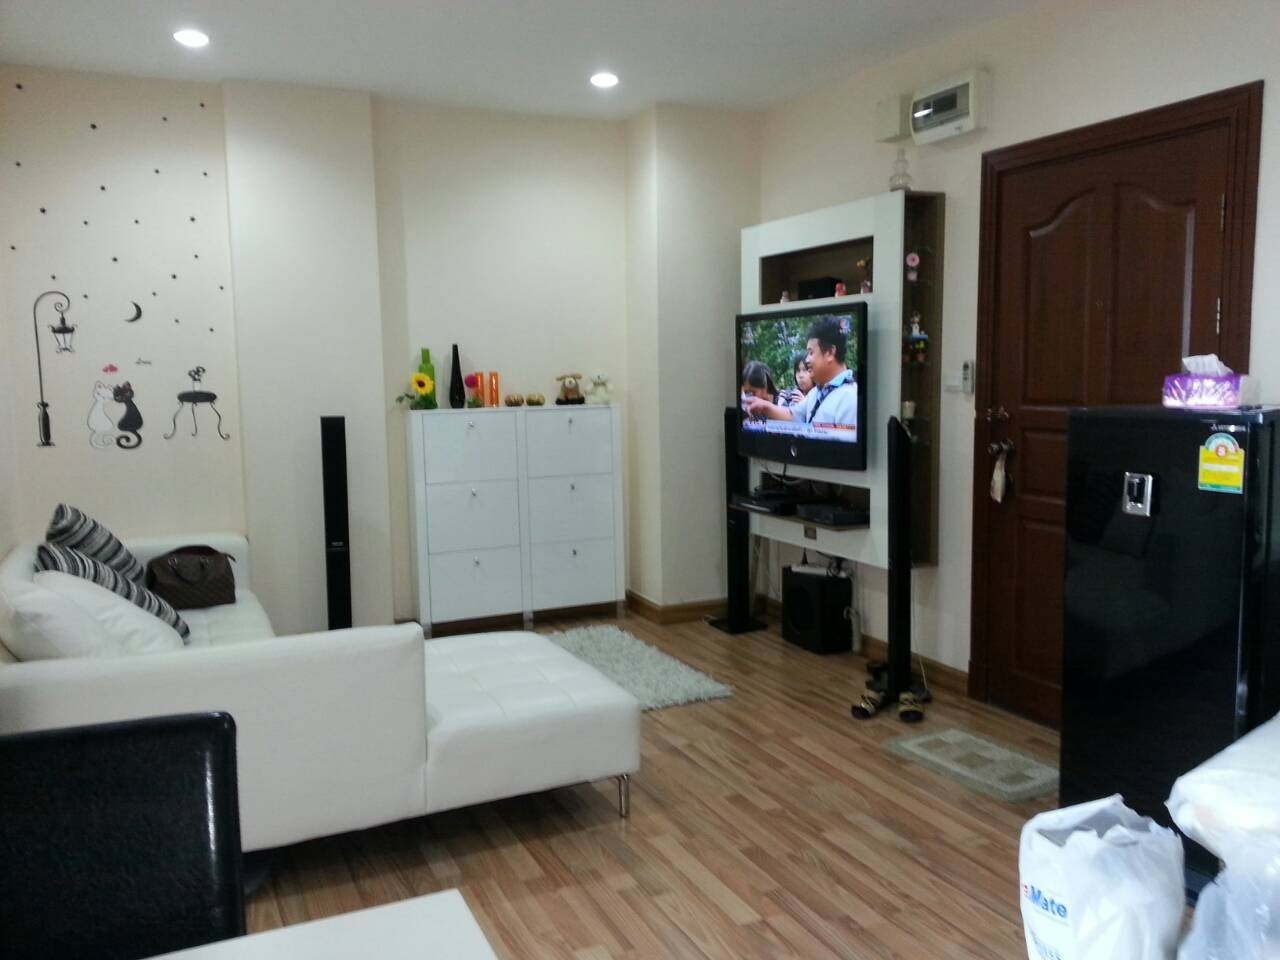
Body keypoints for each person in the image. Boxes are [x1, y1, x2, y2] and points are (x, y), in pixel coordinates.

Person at [744, 316, 857, 429]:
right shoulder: (817, 392)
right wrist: (765, 407)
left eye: (811, 353)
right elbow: (794, 416)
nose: (807, 360)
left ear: (830, 353)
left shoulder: (850, 398)